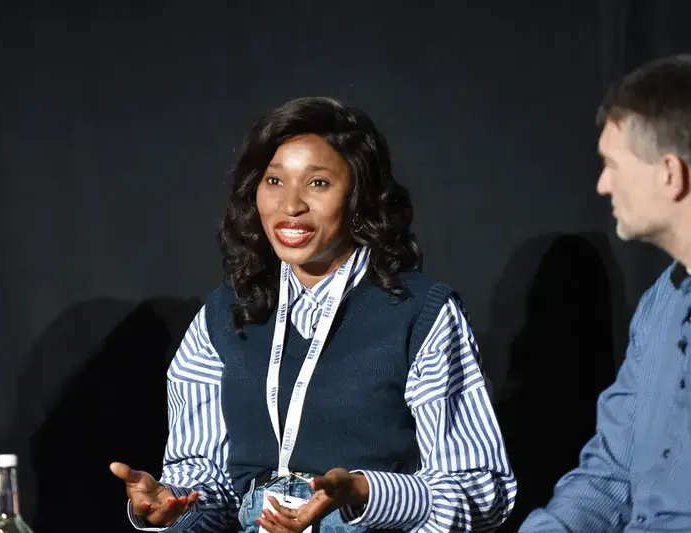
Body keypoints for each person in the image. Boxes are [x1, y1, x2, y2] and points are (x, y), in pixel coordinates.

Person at [111, 96, 517, 533]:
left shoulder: (421, 314)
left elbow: (481, 492)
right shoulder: (226, 313)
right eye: (274, 181)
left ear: (360, 196)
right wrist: (177, 506)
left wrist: (365, 493)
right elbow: (209, 484)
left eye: (318, 183)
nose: (290, 205)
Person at [519, 54, 691, 532]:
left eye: (612, 165)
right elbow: (610, 474)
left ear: (670, 173)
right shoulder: (661, 305)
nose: (601, 185)